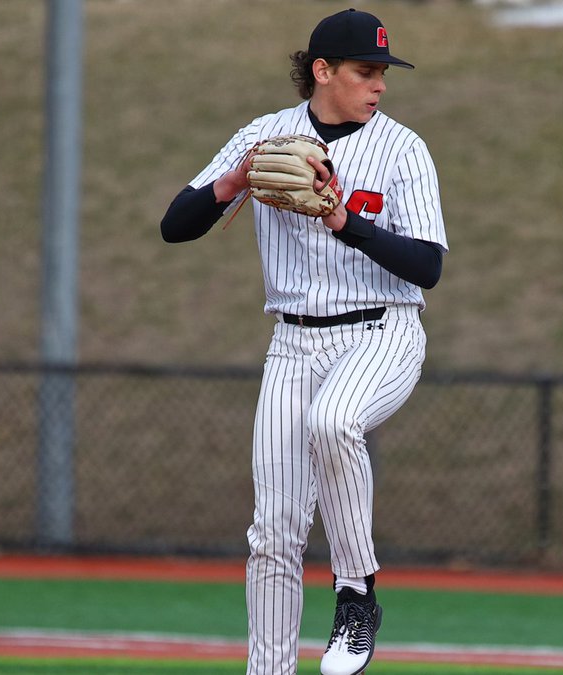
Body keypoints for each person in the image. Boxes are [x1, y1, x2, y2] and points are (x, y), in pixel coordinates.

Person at [159, 8, 448, 674]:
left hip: (383, 329)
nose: (378, 85)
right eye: (364, 71)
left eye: (382, 73)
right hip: (292, 343)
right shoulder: (267, 136)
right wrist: (234, 181)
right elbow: (176, 225)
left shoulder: (402, 148)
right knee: (272, 533)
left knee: (335, 419)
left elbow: (429, 264)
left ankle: (356, 592)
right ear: (322, 71)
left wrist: (346, 221)